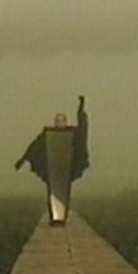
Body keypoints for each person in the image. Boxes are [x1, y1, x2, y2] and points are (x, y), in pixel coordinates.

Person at [15, 96, 90, 225]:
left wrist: (81, 109)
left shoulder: (72, 133)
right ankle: (55, 217)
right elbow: (35, 146)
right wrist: (23, 159)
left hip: (66, 169)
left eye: (62, 121)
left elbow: (82, 128)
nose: (60, 123)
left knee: (64, 193)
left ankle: (62, 217)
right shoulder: (48, 134)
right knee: (52, 193)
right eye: (58, 121)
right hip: (52, 169)